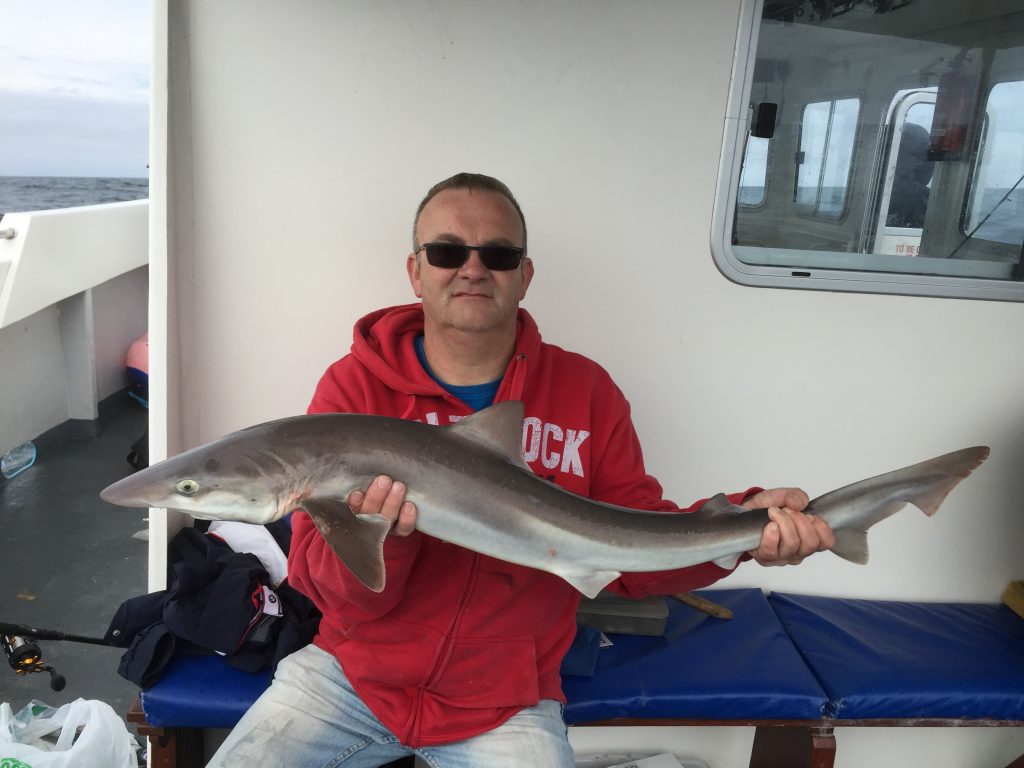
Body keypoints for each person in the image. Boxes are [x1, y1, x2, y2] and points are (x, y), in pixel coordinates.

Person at [207, 173, 834, 767]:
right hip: (351, 676)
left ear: (524, 275)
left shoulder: (584, 391)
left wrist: (746, 532)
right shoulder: (353, 389)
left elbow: (632, 551)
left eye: (499, 255)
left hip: (505, 700)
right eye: (448, 250)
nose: (473, 268)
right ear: (415, 270)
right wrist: (386, 542)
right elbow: (323, 587)